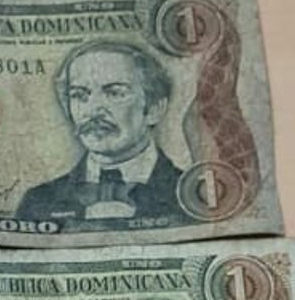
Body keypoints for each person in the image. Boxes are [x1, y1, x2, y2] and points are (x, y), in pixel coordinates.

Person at [16, 41, 186, 225]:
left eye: (114, 93)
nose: (93, 110)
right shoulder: (37, 202)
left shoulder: (192, 197)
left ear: (155, 109)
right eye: (79, 95)